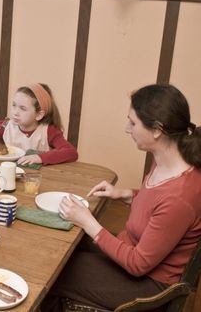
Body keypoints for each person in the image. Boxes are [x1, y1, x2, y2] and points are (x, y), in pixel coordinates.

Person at [41, 84, 201, 311]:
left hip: (150, 284)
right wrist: (128, 194)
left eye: (133, 123)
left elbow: (138, 264)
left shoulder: (180, 197)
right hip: (133, 249)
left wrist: (88, 221)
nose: (128, 129)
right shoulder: (167, 159)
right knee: (62, 245)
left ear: (157, 130)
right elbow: (156, 206)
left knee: (53, 270)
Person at [0, 83, 77, 166]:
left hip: (36, 178)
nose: (15, 112)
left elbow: (71, 153)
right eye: (14, 105)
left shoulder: (49, 131)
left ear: (39, 115)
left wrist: (40, 158)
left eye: (22, 108)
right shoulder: (4, 126)